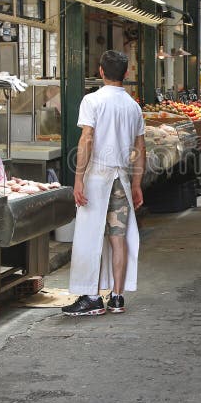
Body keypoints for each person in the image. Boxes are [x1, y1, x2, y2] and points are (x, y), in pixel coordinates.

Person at [64, 50, 146, 317]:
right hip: (121, 177)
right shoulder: (133, 106)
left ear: (100, 71)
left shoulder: (92, 100)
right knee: (118, 237)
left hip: (97, 176)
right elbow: (140, 147)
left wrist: (78, 178)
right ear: (126, 74)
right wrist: (136, 183)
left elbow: (87, 139)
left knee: (89, 235)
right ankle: (117, 297)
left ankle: (91, 297)